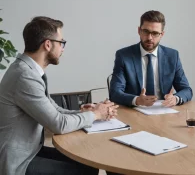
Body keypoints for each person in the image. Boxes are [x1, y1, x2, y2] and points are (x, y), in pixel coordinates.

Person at [0, 16, 118, 175]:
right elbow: (58, 124)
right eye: (61, 42)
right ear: (48, 44)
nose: (63, 48)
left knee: (87, 163)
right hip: (17, 162)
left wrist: (85, 113)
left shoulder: (29, 71)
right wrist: (96, 114)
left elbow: (54, 110)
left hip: (30, 150)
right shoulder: (25, 77)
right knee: (84, 171)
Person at [110, 10, 192, 107]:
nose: (149, 37)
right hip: (134, 112)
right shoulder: (124, 56)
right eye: (146, 31)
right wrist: (137, 100)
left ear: (162, 34)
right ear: (139, 31)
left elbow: (186, 90)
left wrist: (175, 99)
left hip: (163, 112)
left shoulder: (172, 56)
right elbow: (114, 93)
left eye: (155, 33)